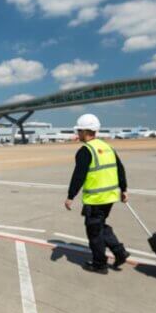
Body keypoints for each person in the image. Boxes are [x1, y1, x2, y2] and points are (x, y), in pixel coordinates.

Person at [64, 114, 130, 274]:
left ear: (85, 131)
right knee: (100, 225)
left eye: (79, 131)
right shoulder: (107, 147)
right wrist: (124, 189)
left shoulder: (85, 150)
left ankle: (99, 263)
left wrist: (70, 196)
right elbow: (120, 168)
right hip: (110, 197)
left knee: (94, 231)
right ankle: (119, 252)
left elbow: (78, 175)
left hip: (96, 199)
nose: (78, 134)